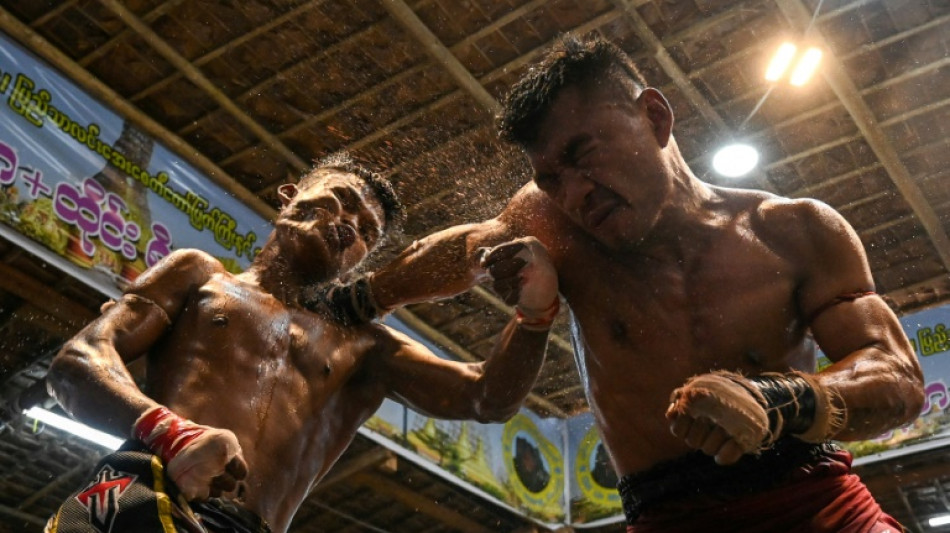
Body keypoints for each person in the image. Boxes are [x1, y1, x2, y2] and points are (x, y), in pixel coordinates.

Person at [347, 36, 925, 532]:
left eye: (583, 154)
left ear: (654, 116)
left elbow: (898, 378)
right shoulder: (551, 222)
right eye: (551, 178)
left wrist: (784, 400)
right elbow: (460, 251)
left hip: (818, 505)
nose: (575, 193)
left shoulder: (795, 229)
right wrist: (356, 299)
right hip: (666, 519)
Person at [42, 154, 559, 533]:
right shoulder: (199, 276)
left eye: (365, 231)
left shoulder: (367, 349)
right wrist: (171, 434)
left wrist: (536, 315)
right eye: (343, 201)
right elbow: (78, 361)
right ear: (289, 196)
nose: (349, 225)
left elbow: (487, 397)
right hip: (142, 488)